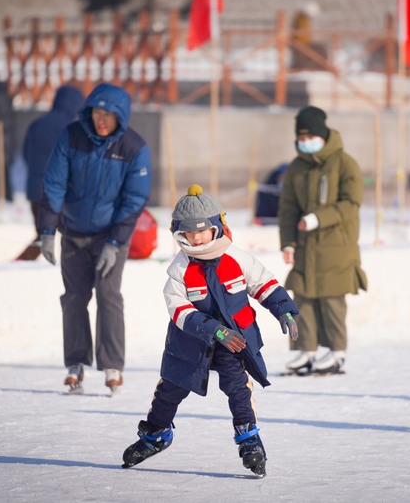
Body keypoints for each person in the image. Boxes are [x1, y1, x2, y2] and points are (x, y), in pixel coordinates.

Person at [121, 185, 299, 477]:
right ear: (179, 234)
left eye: (202, 231)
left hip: (235, 340)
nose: (196, 238)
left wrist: (285, 309)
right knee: (169, 391)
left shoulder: (237, 258)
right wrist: (214, 331)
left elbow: (263, 284)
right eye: (189, 234)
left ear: (217, 227)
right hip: (190, 345)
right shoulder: (179, 269)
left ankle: (249, 439)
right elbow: (179, 309)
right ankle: (155, 435)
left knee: (238, 389)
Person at [38, 82, 151, 394]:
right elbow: (54, 183)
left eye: (109, 115)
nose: (102, 120)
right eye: (97, 113)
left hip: (110, 235)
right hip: (73, 233)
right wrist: (47, 230)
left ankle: (112, 364)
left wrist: (116, 243)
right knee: (74, 298)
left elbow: (133, 200)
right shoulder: (72, 136)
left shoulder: (133, 148)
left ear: (121, 118)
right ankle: (75, 363)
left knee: (108, 295)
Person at [278, 105, 367, 375]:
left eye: (310, 138)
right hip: (306, 247)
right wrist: (288, 242)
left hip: (337, 247)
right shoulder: (296, 167)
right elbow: (288, 208)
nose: (305, 143)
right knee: (302, 297)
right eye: (301, 139)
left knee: (331, 301)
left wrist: (318, 218)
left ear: (324, 135)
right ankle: (305, 351)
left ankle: (336, 352)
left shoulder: (344, 163)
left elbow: (352, 203)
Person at [18, 85, 85, 260]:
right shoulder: (74, 129)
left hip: (35, 192)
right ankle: (76, 268)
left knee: (43, 235)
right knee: (73, 233)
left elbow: (26, 154)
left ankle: (20, 263)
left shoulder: (36, 124)